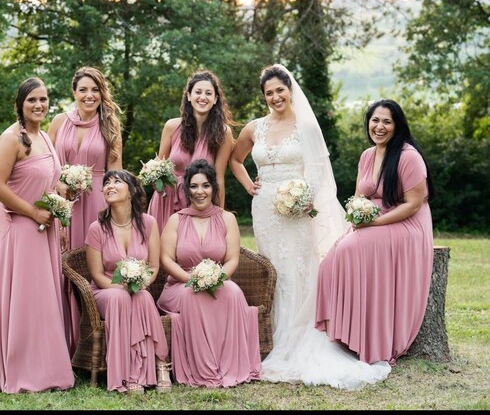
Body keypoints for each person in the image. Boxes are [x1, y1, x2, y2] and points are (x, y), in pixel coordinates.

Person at [229, 64, 391, 389]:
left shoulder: (306, 127)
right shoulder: (254, 128)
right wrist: (249, 185)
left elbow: (318, 175)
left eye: (280, 90)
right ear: (263, 97)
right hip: (264, 211)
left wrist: (306, 201)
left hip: (297, 211)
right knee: (272, 269)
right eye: (269, 93)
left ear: (290, 90)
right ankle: (270, 338)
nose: (275, 97)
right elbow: (235, 159)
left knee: (298, 270)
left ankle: (298, 338)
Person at [315, 99, 435, 366]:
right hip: (372, 222)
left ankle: (371, 338)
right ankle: (346, 333)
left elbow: (414, 204)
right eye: (375, 120)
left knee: (349, 250)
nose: (379, 127)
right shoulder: (367, 156)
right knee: (329, 262)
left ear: (397, 125)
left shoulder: (408, 156)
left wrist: (373, 224)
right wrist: (354, 222)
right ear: (368, 123)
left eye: (387, 121)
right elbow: (360, 197)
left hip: (407, 224)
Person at [0, 77, 74, 393]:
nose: (39, 105)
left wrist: (62, 206)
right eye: (32, 100)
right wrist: (32, 212)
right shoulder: (11, 139)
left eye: (44, 99)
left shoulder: (45, 137)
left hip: (46, 227)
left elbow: (50, 181)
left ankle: (48, 366)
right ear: (21, 104)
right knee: (25, 298)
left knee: (44, 299)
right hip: (21, 228)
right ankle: (22, 368)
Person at [157, 159, 261, 388]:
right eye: (194, 186)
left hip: (218, 281)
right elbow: (165, 260)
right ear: (187, 189)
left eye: (205, 185)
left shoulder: (227, 218)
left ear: (213, 187)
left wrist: (216, 278)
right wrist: (191, 279)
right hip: (181, 285)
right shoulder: (176, 220)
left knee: (233, 292)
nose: (200, 191)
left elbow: (232, 259)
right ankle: (202, 368)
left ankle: (230, 364)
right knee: (192, 296)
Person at [48, 66, 123, 356]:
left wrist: (115, 216)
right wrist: (58, 191)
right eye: (83, 90)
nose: (89, 95)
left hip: (96, 205)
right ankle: (63, 345)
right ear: (74, 92)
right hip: (63, 202)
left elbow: (116, 177)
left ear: (101, 93)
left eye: (95, 90)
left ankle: (92, 345)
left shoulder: (111, 126)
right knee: (61, 268)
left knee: (93, 268)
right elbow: (48, 164)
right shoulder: (57, 122)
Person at [84, 169, 171, 394]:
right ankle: (128, 374)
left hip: (135, 289)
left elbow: (153, 267)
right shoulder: (97, 228)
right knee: (121, 297)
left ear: (131, 191)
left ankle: (160, 364)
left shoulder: (149, 223)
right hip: (105, 291)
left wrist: (142, 283)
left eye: (117, 182)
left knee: (143, 296)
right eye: (106, 183)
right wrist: (121, 287)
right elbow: (97, 275)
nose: (109, 186)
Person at [147, 70, 234, 233]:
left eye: (208, 93)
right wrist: (153, 178)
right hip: (168, 198)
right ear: (188, 96)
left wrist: (219, 215)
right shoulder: (171, 127)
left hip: (198, 198)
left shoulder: (224, 133)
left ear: (215, 99)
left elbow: (219, 177)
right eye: (198, 92)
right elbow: (159, 168)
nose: (203, 97)